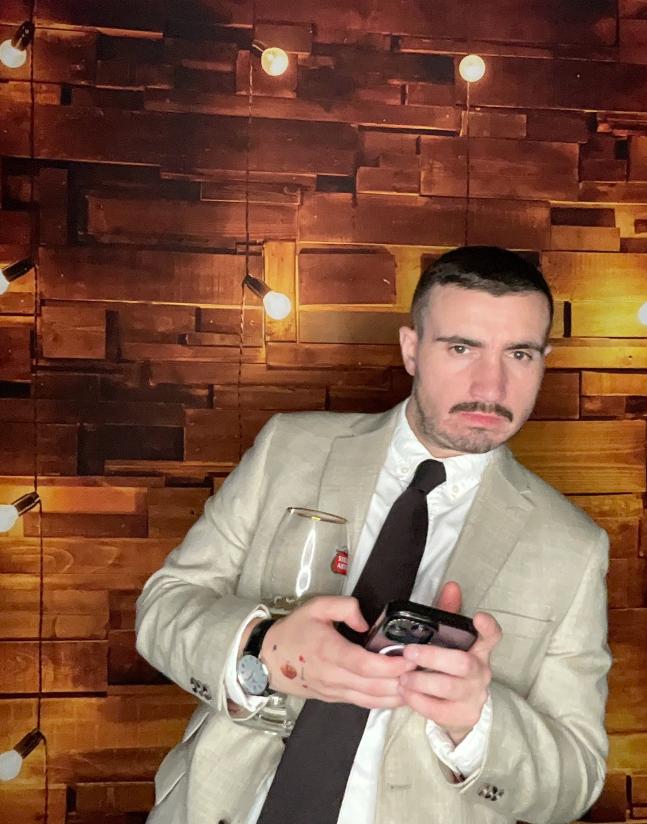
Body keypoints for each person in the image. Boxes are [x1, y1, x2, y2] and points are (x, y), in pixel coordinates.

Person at [136, 245, 611, 824]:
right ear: (411, 348)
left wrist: (478, 723)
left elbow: (577, 776)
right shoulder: (289, 448)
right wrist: (264, 649)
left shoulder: (574, 547)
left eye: (519, 353)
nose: (491, 385)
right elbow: (164, 608)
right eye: (461, 348)